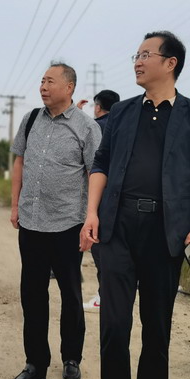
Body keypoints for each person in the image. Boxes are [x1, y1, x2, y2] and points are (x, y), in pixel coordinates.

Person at [81, 31, 190, 379]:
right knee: (114, 327)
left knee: (157, 330)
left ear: (170, 63)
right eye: (136, 55)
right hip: (117, 230)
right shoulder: (121, 112)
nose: (138, 61)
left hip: (166, 234)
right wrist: (91, 213)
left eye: (146, 54)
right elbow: (101, 164)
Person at [9, 62, 101, 379]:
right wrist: (14, 204)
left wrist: (91, 218)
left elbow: (95, 173)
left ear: (69, 87)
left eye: (50, 81)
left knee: (70, 293)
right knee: (32, 295)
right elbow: (19, 161)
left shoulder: (86, 127)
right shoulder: (31, 119)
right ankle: (35, 363)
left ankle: (71, 357)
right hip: (32, 221)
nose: (43, 87)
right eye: (42, 81)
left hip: (68, 224)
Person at [77, 89, 120, 312]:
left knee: (98, 247)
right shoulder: (123, 125)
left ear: (98, 106)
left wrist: (77, 113)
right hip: (120, 197)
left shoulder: (96, 126)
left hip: (97, 196)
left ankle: (105, 296)